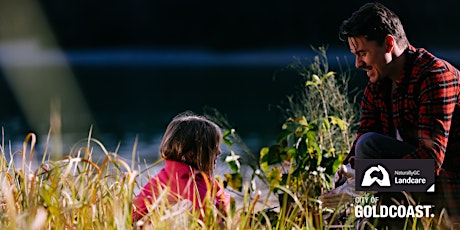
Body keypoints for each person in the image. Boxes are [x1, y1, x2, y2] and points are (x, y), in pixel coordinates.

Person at [319, 2, 460, 226]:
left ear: (388, 43)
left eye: (362, 53)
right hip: (409, 185)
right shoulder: (377, 86)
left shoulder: (436, 77)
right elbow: (358, 153)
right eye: (355, 55)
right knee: (362, 154)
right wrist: (340, 186)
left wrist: (362, 184)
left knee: (369, 149)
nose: (357, 64)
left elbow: (429, 166)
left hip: (450, 191)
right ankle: (361, 222)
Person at [132, 111, 231, 223]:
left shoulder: (164, 176)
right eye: (213, 147)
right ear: (191, 153)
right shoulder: (192, 186)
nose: (219, 152)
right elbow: (214, 221)